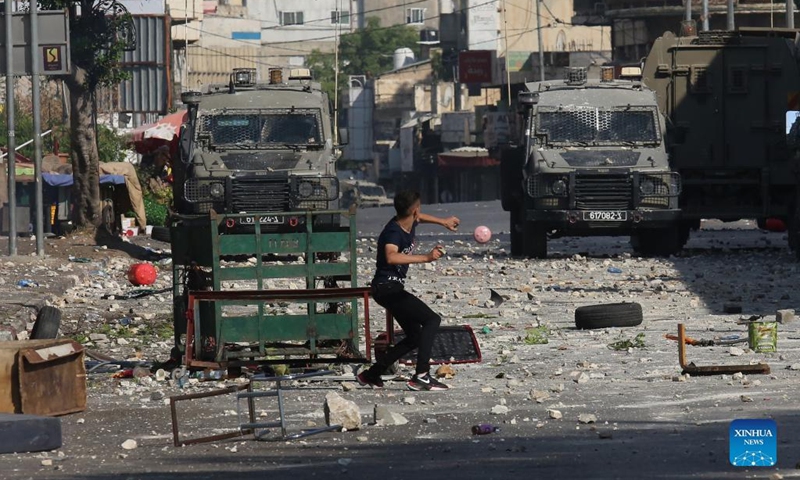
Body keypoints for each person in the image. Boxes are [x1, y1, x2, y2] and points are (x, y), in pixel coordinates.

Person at [357, 190, 460, 391]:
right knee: (432, 320)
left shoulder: (409, 220)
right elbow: (391, 257)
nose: (419, 214)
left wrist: (443, 222)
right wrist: (426, 258)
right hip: (387, 289)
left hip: (391, 288)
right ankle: (421, 375)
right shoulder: (393, 232)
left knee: (415, 336)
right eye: (418, 209)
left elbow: (421, 217)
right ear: (414, 210)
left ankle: (371, 374)